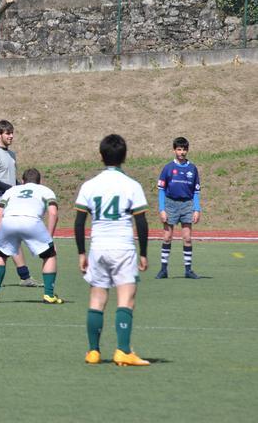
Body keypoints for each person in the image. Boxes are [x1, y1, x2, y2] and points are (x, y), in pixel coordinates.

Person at [74, 134, 150, 366]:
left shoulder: (90, 185)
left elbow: (79, 222)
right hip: (123, 247)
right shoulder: (132, 185)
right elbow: (141, 222)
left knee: (97, 299)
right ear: (125, 156)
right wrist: (144, 253)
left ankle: (93, 352)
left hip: (98, 247)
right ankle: (123, 350)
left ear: (101, 156)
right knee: (126, 298)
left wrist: (81, 252)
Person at [0, 168, 63, 304]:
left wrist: (4, 234)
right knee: (49, 255)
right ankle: (49, 295)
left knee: (1, 255)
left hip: (9, 221)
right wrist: (49, 237)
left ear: (22, 181)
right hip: (32, 221)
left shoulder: (12, 190)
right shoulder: (45, 190)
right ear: (39, 181)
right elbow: (53, 213)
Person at [0, 119, 41, 288]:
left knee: (7, 237)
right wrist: (11, 189)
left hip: (9, 203)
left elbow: (10, 179)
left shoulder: (11, 155)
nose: (11, 136)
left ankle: (23, 277)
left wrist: (20, 188)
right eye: (7, 133)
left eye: (12, 133)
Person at [155, 137, 201, 279]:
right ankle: (163, 270)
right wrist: (162, 209)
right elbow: (161, 190)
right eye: (179, 149)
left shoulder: (192, 168)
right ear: (174, 150)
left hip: (187, 204)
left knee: (187, 238)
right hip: (170, 204)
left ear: (187, 150)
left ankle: (188, 270)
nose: (182, 152)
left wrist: (197, 209)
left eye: (184, 149)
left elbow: (196, 191)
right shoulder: (168, 168)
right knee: (167, 237)